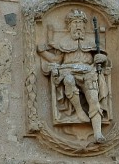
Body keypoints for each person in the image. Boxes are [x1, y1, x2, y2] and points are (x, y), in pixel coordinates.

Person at [37, 9, 111, 143]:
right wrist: (43, 52)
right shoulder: (63, 42)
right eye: (75, 23)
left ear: (84, 26)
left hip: (88, 73)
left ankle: (98, 133)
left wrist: (103, 58)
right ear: (69, 26)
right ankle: (79, 111)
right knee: (69, 81)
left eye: (80, 23)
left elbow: (103, 60)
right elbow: (56, 60)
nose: (78, 26)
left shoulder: (92, 42)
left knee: (93, 97)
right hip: (68, 71)